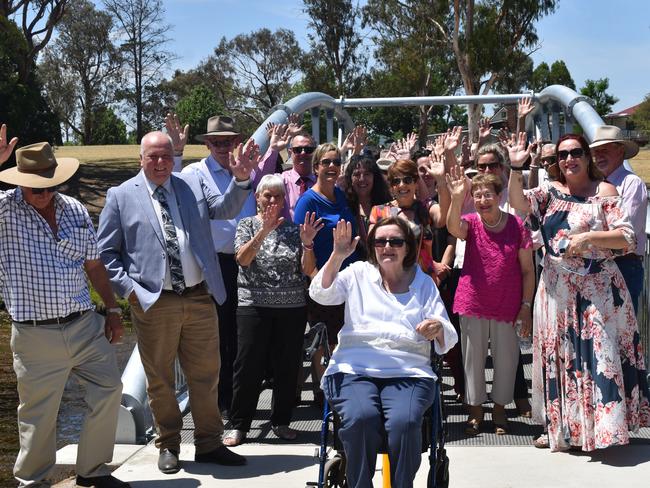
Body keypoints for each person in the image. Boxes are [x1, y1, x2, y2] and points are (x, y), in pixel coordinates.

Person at [97, 131, 257, 473]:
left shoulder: (190, 185)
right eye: (153, 156)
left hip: (199, 295)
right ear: (140, 158)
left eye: (166, 156)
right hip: (155, 301)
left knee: (206, 375)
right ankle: (168, 444)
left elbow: (226, 208)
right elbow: (107, 253)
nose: (160, 163)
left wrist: (241, 178)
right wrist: (131, 291)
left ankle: (209, 444)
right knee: (159, 379)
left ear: (174, 157)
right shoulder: (121, 195)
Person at [0, 135, 129, 488]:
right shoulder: (4, 210)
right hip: (34, 333)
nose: (45, 194)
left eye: (50, 186)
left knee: (109, 389)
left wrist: (114, 312)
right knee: (38, 415)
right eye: (37, 188)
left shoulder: (73, 208)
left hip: (84, 323)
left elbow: (94, 265)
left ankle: (93, 471)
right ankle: (33, 481)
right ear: (22, 182)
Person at [507, 132, 650, 451]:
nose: (568, 159)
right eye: (562, 154)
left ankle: (604, 430)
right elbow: (517, 204)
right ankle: (563, 428)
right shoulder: (548, 192)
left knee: (600, 356)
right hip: (557, 289)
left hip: (598, 289)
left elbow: (627, 238)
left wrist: (588, 240)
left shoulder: (605, 191)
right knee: (562, 358)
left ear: (586, 157)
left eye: (575, 153)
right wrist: (516, 168)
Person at [310, 217, 457, 488]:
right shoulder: (357, 273)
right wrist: (337, 255)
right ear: (372, 246)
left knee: (404, 422)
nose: (387, 246)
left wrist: (437, 327)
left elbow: (447, 332)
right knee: (360, 418)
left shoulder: (423, 284)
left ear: (408, 247)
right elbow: (321, 293)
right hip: (354, 367)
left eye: (395, 241)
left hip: (409, 370)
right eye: (380, 241)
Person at [224, 175, 322, 446]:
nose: (272, 200)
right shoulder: (246, 225)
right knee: (247, 365)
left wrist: (308, 243)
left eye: (278, 196)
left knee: (287, 366)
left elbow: (306, 269)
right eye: (267, 195)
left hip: (291, 308)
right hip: (254, 306)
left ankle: (281, 421)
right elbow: (243, 260)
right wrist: (263, 231)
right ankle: (239, 424)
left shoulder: (293, 230)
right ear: (257, 197)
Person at [446, 167, 535, 436]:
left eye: (488, 195)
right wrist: (456, 198)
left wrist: (526, 306)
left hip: (507, 303)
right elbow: (452, 227)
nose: (483, 200)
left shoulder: (518, 225)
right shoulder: (471, 222)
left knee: (506, 360)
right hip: (473, 302)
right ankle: (475, 410)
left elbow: (528, 270)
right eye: (478, 195)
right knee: (472, 360)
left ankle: (499, 410)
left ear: (499, 196)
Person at [183, 115, 257, 415]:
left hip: (251, 263)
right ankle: (222, 402)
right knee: (222, 336)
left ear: (236, 142)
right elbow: (216, 210)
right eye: (217, 142)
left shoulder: (247, 172)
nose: (223, 147)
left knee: (247, 336)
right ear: (207, 144)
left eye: (228, 141)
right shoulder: (195, 174)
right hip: (219, 265)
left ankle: (242, 402)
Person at [589, 125, 647, 314]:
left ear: (620, 151)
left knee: (623, 333)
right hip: (596, 266)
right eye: (596, 152)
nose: (599, 156)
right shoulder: (593, 185)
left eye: (605, 150)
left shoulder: (632, 184)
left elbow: (626, 234)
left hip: (623, 265)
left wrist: (589, 236)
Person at [369, 158, 450, 285]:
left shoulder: (425, 208)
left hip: (423, 281)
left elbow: (442, 220)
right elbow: (373, 248)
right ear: (391, 186)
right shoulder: (378, 212)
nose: (402, 185)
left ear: (416, 183)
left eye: (407, 180)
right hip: (390, 281)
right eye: (396, 181)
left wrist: (440, 181)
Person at [343, 155, 391, 258]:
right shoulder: (344, 206)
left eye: (367, 174)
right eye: (356, 174)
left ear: (375, 177)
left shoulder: (387, 205)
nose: (362, 179)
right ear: (350, 179)